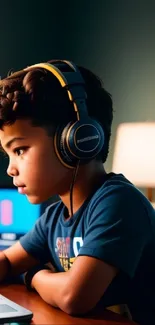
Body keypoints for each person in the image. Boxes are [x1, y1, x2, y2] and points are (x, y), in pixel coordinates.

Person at [0, 60, 155, 325]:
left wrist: (34, 275)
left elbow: (75, 296)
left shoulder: (117, 204)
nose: (10, 170)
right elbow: (7, 262)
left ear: (76, 140)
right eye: (8, 155)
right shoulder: (55, 217)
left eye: (20, 150)